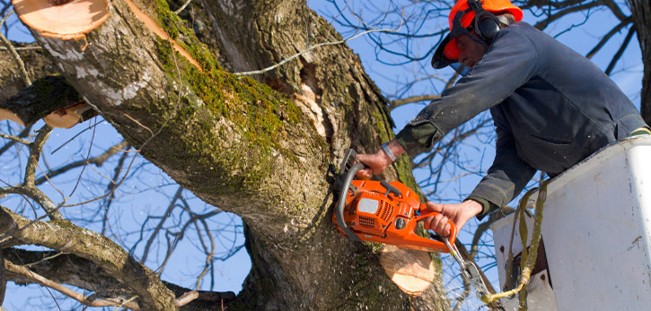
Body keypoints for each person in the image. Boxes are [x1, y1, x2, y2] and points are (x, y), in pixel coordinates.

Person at [355, 0, 650, 237]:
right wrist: (470, 207)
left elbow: (470, 95)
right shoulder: (508, 99)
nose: (461, 59)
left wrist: (391, 151)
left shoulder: (519, 40)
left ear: (485, 26)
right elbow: (514, 158)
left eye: (461, 45)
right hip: (590, 179)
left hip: (624, 154)